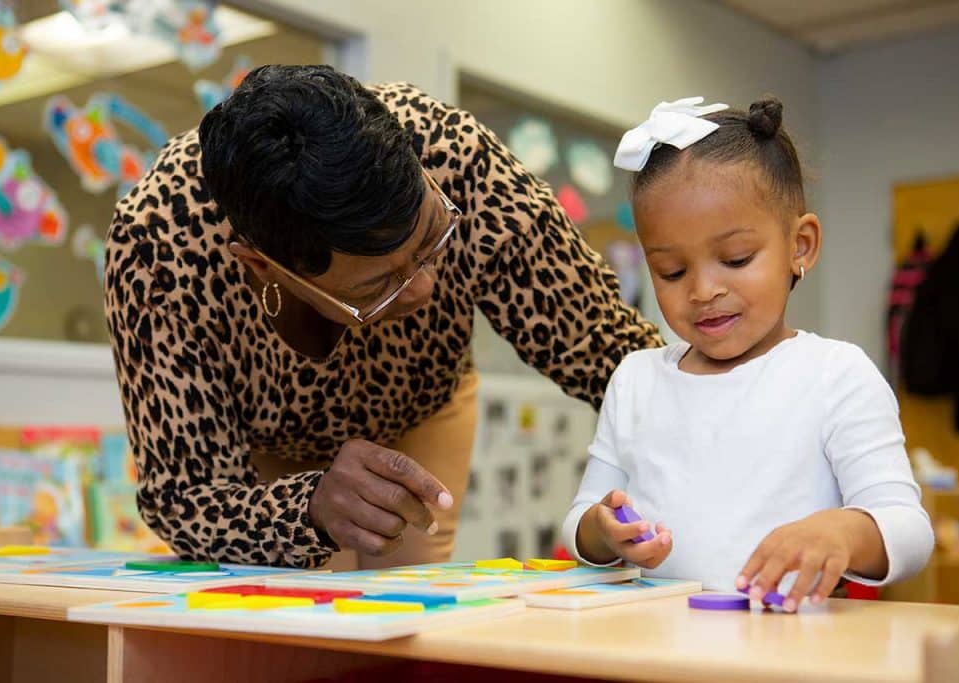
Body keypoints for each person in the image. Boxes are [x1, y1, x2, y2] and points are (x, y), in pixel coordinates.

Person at [104, 64, 663, 570]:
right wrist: (308, 511)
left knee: (408, 600)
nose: (424, 288)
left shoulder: (457, 155)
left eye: (430, 240)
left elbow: (603, 346)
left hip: (422, 407)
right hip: (265, 454)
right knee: (291, 626)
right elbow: (187, 498)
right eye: (378, 285)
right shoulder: (158, 248)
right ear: (261, 264)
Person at [564, 96, 934, 612]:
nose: (703, 289)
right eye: (671, 271)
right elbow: (582, 516)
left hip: (787, 650)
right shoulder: (635, 378)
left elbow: (909, 530)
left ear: (800, 246)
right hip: (652, 644)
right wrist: (602, 533)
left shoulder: (835, 374)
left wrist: (844, 531)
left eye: (736, 259)